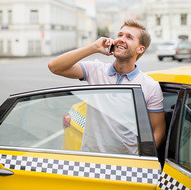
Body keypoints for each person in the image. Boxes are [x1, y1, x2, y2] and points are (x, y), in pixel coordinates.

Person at [48, 19, 166, 150]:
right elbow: (55, 67)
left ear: (140, 49)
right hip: (92, 160)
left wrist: (143, 159)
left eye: (129, 37)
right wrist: (93, 48)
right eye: (120, 35)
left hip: (128, 164)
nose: (121, 39)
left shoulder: (150, 86)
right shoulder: (95, 69)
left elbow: (158, 130)